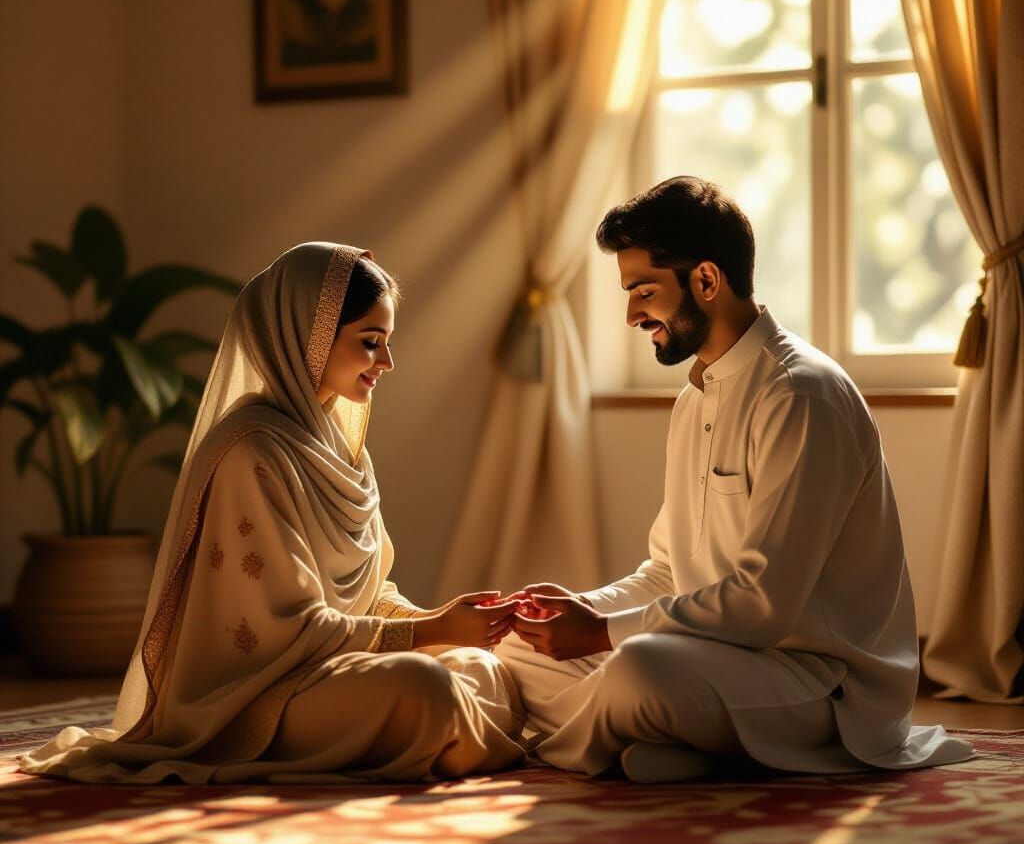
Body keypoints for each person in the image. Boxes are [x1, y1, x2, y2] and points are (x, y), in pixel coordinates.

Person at [497, 176, 975, 783]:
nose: (630, 315)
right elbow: (668, 573)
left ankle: (594, 745)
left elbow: (763, 604)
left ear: (705, 280)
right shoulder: (695, 396)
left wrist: (600, 633)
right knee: (518, 648)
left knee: (638, 668)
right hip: (720, 662)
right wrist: (575, 612)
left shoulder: (800, 395)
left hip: (822, 686)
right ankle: (655, 746)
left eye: (643, 291)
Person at [20, 243, 526, 784]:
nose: (387, 363)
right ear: (309, 337)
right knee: (430, 691)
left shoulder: (340, 446)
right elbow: (293, 629)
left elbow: (367, 593)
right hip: (260, 694)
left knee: (486, 669)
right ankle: (444, 737)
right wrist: (429, 635)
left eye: (387, 343)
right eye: (371, 343)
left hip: (333, 668)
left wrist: (434, 620)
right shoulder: (251, 451)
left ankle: (441, 741)